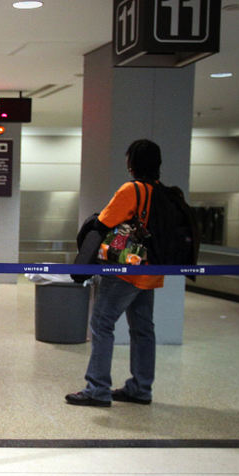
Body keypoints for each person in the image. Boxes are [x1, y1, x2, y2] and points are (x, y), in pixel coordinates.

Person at [65, 139, 165, 407]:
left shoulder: (132, 189)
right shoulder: (162, 193)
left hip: (125, 269)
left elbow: (104, 221)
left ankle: (97, 388)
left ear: (132, 164)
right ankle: (141, 388)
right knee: (143, 328)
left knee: (101, 323)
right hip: (151, 270)